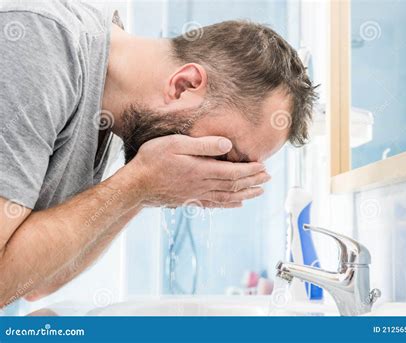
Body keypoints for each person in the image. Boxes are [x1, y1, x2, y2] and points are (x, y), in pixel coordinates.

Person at [0, 0, 315, 305]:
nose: (215, 175)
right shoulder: (42, 44)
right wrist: (137, 184)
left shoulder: (121, 115)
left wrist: (144, 190)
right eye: (224, 155)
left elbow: (36, 282)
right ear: (184, 85)